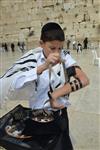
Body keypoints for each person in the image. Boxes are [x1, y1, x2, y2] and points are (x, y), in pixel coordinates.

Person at [0, 22, 89, 150]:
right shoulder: (31, 59)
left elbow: (84, 79)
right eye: (52, 48)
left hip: (59, 115)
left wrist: (55, 95)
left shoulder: (65, 57)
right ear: (41, 43)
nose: (57, 53)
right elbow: (10, 82)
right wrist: (43, 66)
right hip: (37, 118)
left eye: (60, 48)